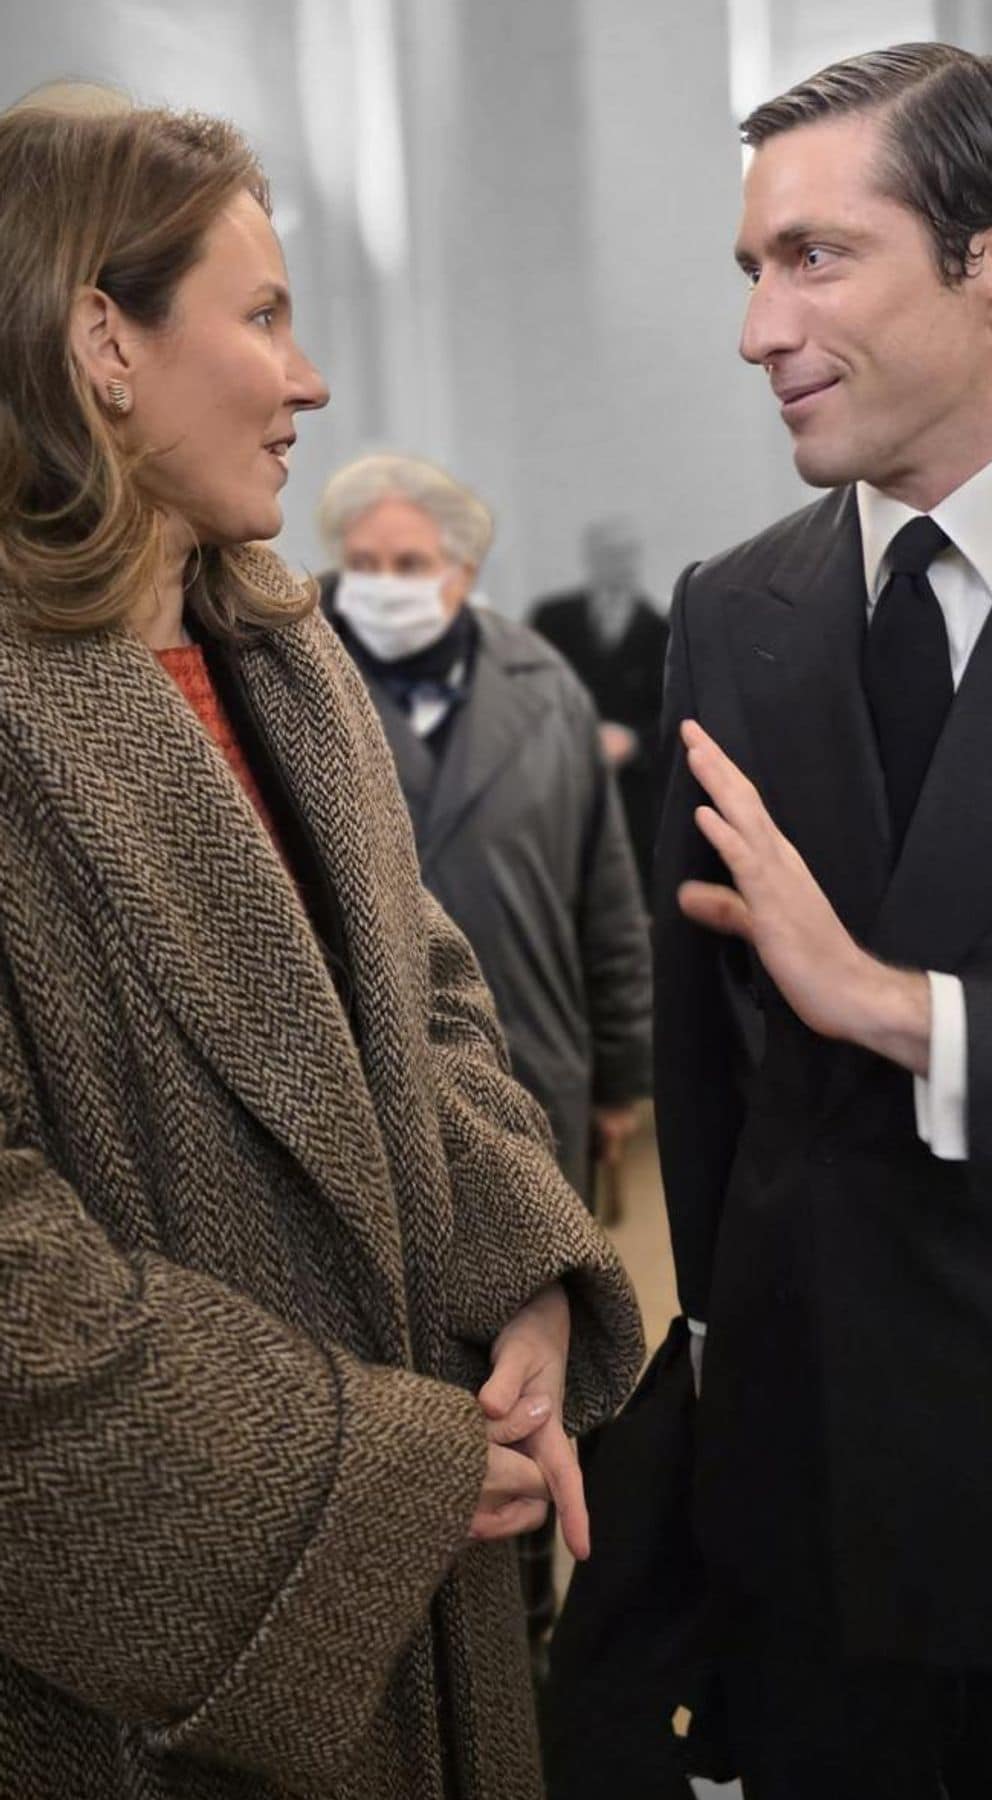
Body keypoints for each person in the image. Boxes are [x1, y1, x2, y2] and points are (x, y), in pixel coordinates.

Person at [0, 89, 643, 1800]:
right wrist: (372, 1474)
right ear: (104, 346)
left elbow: (426, 1000)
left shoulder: (279, 653)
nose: (311, 384)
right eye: (265, 317)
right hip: (154, 1690)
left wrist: (520, 1273)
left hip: (428, 1593)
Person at [653, 42, 992, 1800]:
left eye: (817, 257)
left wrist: (904, 1010)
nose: (761, 329)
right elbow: (705, 1084)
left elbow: (836, 1004)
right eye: (754, 268)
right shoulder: (728, 610)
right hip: (812, 1518)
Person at [317, 456, 652, 1201]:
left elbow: (606, 898)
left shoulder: (547, 689)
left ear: (462, 572)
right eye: (363, 564)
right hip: (365, 1084)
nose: (383, 585)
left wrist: (619, 1076)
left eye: (410, 564)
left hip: (531, 1057)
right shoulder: (297, 687)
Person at [530, 516, 668, 899]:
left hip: (634, 795)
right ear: (591, 556)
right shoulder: (552, 620)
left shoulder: (664, 630)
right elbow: (524, 694)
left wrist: (633, 741)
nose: (620, 562)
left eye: (627, 553)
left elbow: (677, 715)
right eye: (610, 552)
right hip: (560, 784)